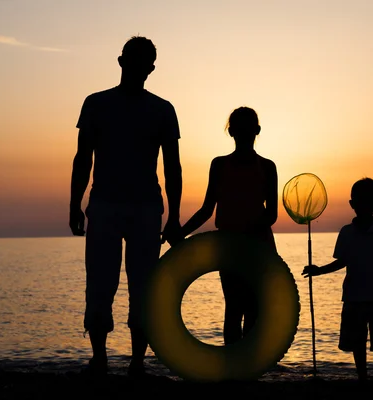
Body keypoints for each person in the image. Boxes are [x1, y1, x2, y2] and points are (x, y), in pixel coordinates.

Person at [69, 36, 183, 377]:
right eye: (133, 61)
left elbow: (173, 165)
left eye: (141, 63)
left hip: (144, 208)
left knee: (142, 286)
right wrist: (75, 204)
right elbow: (82, 158)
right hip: (106, 205)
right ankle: (104, 358)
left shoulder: (163, 109)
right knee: (103, 284)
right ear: (121, 62)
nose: (136, 68)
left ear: (149, 68)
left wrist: (174, 216)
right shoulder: (96, 103)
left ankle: (134, 361)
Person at [302, 177, 373, 382]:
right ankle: (362, 376)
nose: (364, 205)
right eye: (360, 201)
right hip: (354, 297)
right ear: (352, 204)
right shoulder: (346, 233)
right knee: (357, 341)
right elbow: (342, 262)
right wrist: (318, 271)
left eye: (368, 201)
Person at [179, 106, 278, 345]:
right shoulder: (219, 164)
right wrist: (180, 233)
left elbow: (272, 214)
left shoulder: (267, 166)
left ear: (257, 130)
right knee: (234, 307)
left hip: (258, 246)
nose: (244, 133)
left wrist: (248, 232)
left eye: (248, 129)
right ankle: (233, 367)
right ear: (231, 132)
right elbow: (206, 209)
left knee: (254, 308)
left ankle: (247, 369)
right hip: (230, 246)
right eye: (240, 129)